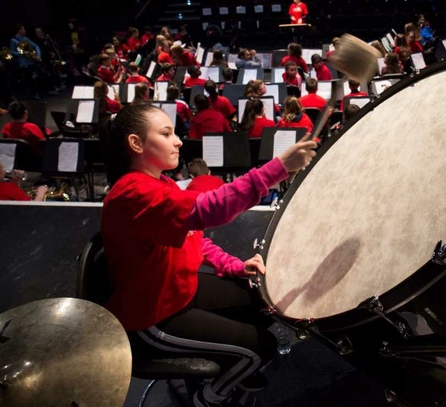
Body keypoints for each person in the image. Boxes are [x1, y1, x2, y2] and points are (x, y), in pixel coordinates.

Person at [101, 103, 316, 407]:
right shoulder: (132, 194)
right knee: (262, 347)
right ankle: (207, 399)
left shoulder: (159, 183)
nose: (178, 140)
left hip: (179, 290)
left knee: (261, 301)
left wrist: (234, 266)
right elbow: (209, 209)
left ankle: (232, 363)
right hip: (153, 317)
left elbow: (194, 239)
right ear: (136, 143)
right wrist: (277, 167)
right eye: (166, 134)